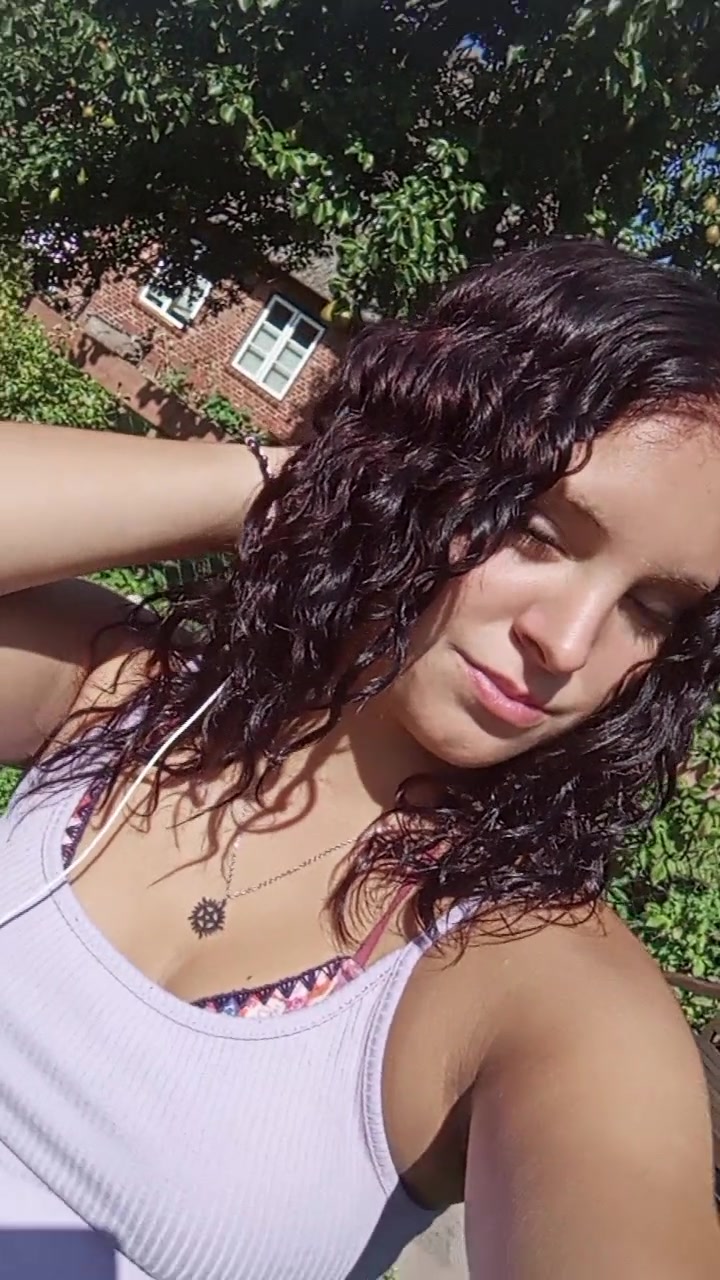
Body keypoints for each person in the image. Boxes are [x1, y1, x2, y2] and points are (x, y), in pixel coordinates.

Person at [0, 238, 718, 1280]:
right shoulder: (124, 700)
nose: (568, 644)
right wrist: (313, 485)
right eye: (536, 531)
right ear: (425, 471)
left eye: (651, 607)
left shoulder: (533, 984)